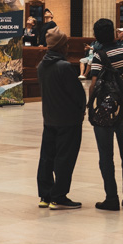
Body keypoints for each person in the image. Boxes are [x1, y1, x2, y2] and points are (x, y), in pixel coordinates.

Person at [88, 18, 123, 211]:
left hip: (105, 109)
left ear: (96, 36)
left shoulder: (98, 56)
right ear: (114, 33)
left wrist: (91, 106)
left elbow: (94, 85)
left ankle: (111, 198)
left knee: (106, 156)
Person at [36, 27, 86, 210]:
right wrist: (81, 110)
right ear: (61, 46)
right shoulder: (64, 67)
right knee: (65, 158)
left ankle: (45, 195)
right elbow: (77, 93)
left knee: (47, 158)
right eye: (66, 44)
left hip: (49, 118)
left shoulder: (42, 65)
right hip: (68, 119)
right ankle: (59, 196)